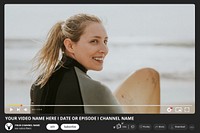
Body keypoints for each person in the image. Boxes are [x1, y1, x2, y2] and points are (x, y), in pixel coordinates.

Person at [30, 13, 160, 114]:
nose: (104, 50)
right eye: (94, 41)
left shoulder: (39, 84)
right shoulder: (96, 90)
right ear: (70, 45)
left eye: (105, 41)